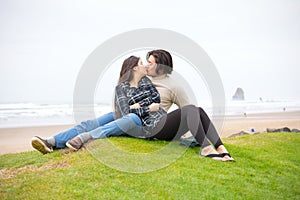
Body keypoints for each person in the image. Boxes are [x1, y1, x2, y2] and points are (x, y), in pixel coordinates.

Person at [31, 49, 230, 160]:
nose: (146, 64)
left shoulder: (174, 86)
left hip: (155, 123)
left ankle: (216, 148)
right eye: (145, 62)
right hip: (131, 116)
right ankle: (52, 142)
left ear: (160, 66)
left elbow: (190, 113)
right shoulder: (142, 79)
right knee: (92, 122)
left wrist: (187, 136)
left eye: (150, 62)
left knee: (194, 110)